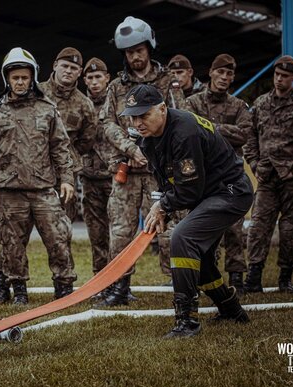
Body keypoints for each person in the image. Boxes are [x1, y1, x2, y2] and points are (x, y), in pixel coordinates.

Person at [124, 84, 253, 337]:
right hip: (208, 193)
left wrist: (163, 206)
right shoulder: (149, 137)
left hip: (230, 191)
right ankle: (231, 310)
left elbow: (190, 191)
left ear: (162, 109)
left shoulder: (184, 132)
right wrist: (161, 205)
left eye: (143, 115)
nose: (137, 122)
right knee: (200, 257)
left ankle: (187, 322)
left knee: (182, 238)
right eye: (133, 116)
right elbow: (166, 179)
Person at [98, 16, 185, 306]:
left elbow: (180, 119)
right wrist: (129, 148)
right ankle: (119, 288)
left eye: (139, 49)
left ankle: (181, 288)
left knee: (169, 231)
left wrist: (151, 151)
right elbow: (107, 124)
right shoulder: (115, 87)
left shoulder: (167, 83)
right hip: (126, 170)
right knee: (120, 232)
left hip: (160, 172)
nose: (135, 56)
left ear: (149, 48)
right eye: (129, 52)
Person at [0, 47, 76, 305]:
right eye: (15, 77)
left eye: (24, 77)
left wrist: (67, 179)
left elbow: (60, 146)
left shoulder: (47, 110)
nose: (20, 82)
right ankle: (17, 291)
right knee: (11, 244)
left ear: (32, 77)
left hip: (44, 190)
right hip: (9, 191)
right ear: (7, 78)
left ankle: (64, 289)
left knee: (59, 238)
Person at [243, 55, 293, 293]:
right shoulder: (261, 103)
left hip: (292, 180)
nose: (279, 79)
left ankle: (285, 278)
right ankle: (254, 277)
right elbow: (250, 136)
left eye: (285, 76)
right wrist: (254, 163)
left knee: (290, 230)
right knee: (258, 226)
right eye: (277, 75)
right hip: (266, 177)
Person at [185, 54, 252, 294]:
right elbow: (189, 128)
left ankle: (237, 278)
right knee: (202, 227)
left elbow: (245, 134)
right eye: (220, 72)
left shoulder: (238, 106)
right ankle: (206, 276)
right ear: (211, 73)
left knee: (234, 228)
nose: (224, 78)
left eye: (229, 74)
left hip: (230, 176)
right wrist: (223, 131)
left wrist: (211, 128)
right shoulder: (193, 103)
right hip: (202, 176)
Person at [39, 47, 97, 221]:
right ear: (55, 65)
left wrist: (68, 154)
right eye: (65, 66)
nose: (68, 71)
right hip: (33, 170)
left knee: (62, 225)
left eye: (73, 68)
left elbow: (87, 139)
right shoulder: (36, 93)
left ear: (79, 72)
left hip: (65, 174)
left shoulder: (84, 104)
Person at [81, 57, 114, 282]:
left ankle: (120, 280)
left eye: (98, 77)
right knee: (97, 233)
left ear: (107, 78)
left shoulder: (116, 102)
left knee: (120, 233)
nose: (94, 82)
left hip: (116, 177)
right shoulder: (80, 105)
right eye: (90, 78)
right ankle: (100, 279)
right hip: (90, 178)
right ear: (84, 80)